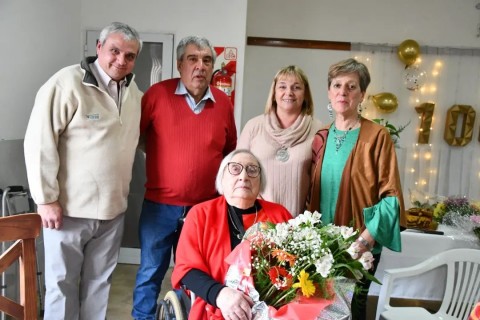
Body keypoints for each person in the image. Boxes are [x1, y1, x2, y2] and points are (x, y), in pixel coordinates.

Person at [23, 22, 142, 320]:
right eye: (114, 51)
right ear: (98, 48)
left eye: (130, 56)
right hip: (68, 212)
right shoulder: (66, 83)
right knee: (62, 288)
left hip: (112, 213)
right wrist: (46, 199)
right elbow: (39, 142)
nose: (121, 60)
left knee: (99, 287)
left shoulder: (134, 92)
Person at [132, 35, 237, 319]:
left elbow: (229, 154)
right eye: (192, 59)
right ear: (180, 64)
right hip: (159, 206)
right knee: (150, 270)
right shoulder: (156, 95)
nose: (199, 66)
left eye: (206, 60)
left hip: (204, 211)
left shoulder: (223, 104)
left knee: (195, 275)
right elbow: (136, 138)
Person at [306, 58, 407, 320]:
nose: (343, 92)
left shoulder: (377, 136)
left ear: (362, 94)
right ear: (329, 92)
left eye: (351, 86)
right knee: (322, 311)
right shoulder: (321, 135)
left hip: (359, 244)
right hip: (323, 245)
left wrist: (364, 241)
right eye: (337, 85)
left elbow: (390, 196)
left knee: (353, 310)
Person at [171, 149, 292, 320]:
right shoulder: (201, 214)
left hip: (276, 308)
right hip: (218, 306)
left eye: (252, 170)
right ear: (222, 178)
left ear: (260, 182)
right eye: (235, 169)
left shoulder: (280, 214)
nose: (244, 176)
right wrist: (221, 294)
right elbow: (186, 270)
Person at [237, 65, 322, 216]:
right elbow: (238, 172)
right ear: (274, 92)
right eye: (282, 87)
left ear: (306, 94)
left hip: (302, 221)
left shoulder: (318, 130)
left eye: (296, 87)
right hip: (257, 215)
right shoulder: (253, 127)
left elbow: (321, 180)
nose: (289, 92)